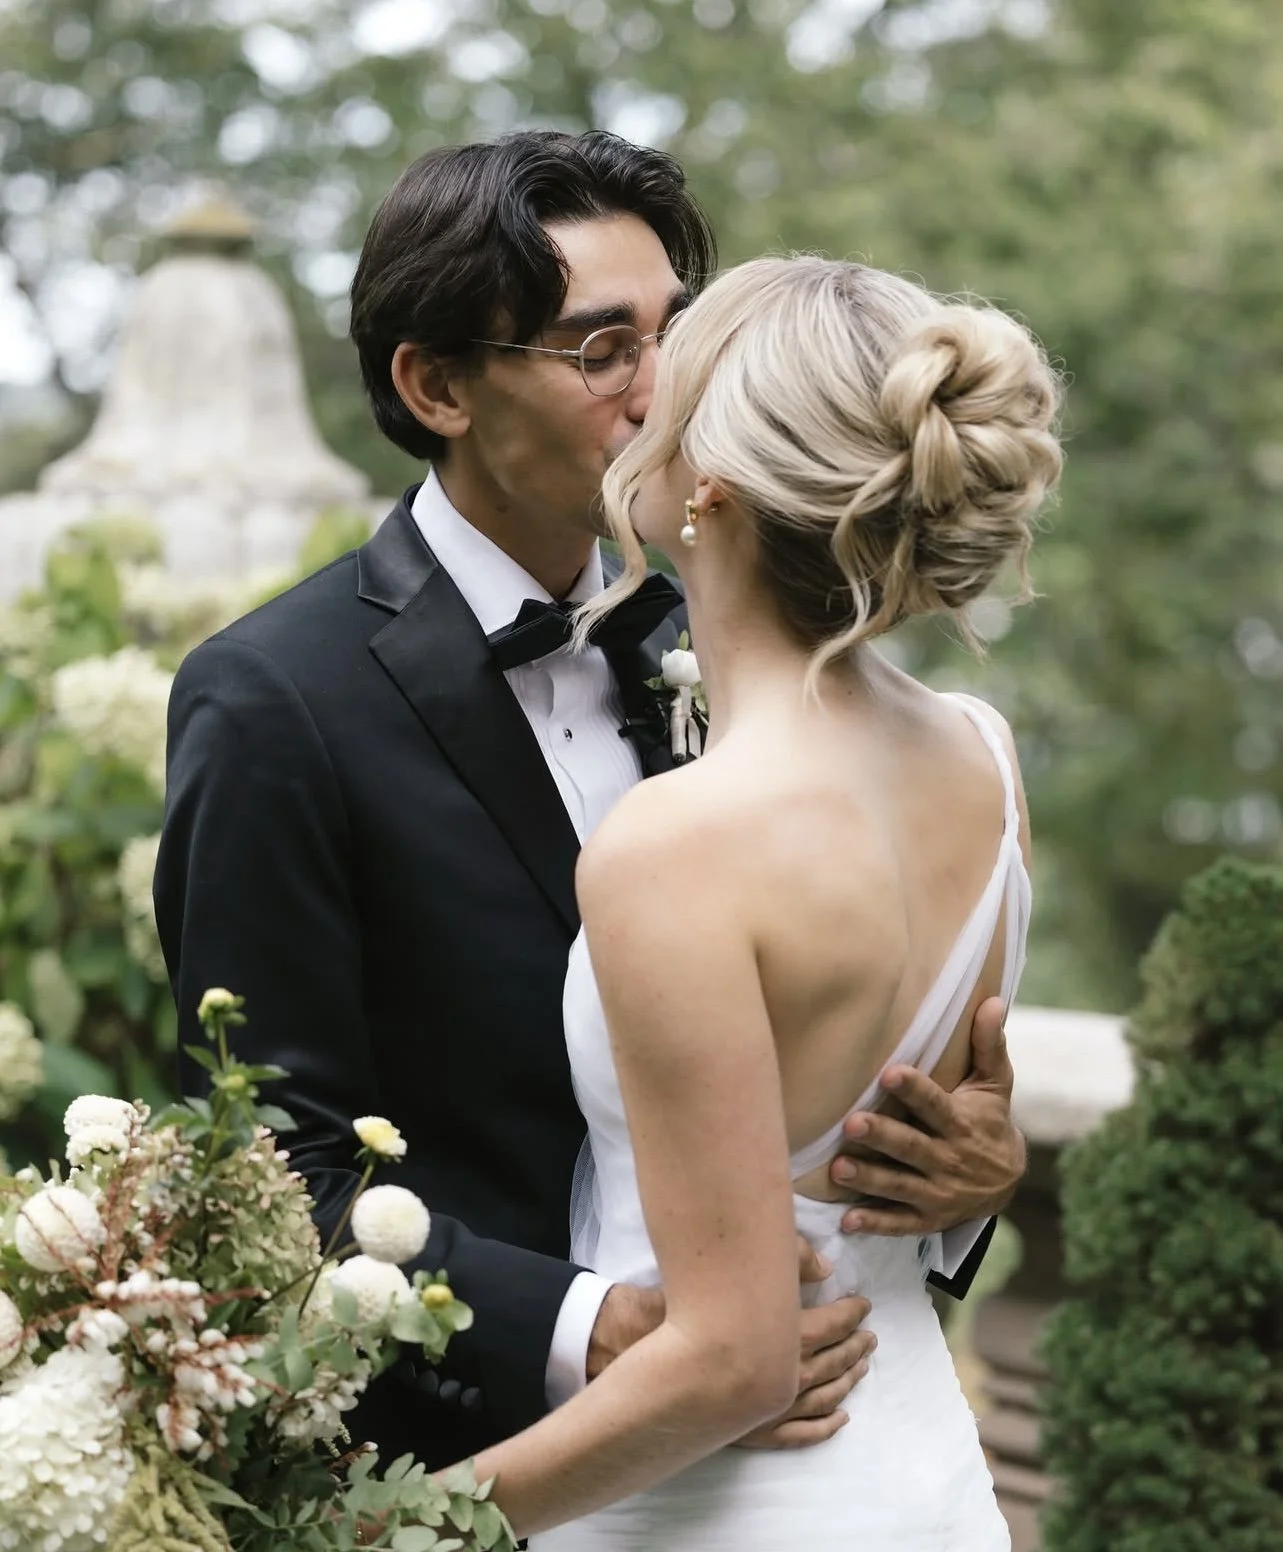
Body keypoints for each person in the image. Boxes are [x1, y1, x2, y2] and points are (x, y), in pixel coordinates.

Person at [153, 131, 1026, 1477]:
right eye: (600, 347)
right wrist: (583, 1327)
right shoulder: (276, 701)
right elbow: (269, 1185)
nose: (662, 387)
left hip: (835, 1436)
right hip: (498, 1450)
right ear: (437, 385)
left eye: (677, 332)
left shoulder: (747, 641)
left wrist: (965, 1177)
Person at [460, 253, 1061, 1548]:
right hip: (925, 1487)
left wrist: (399, 1524)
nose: (630, 406)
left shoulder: (674, 843)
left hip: (713, 1510)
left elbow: (734, 1358)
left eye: (660, 385)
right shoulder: (981, 753)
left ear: (709, 486)